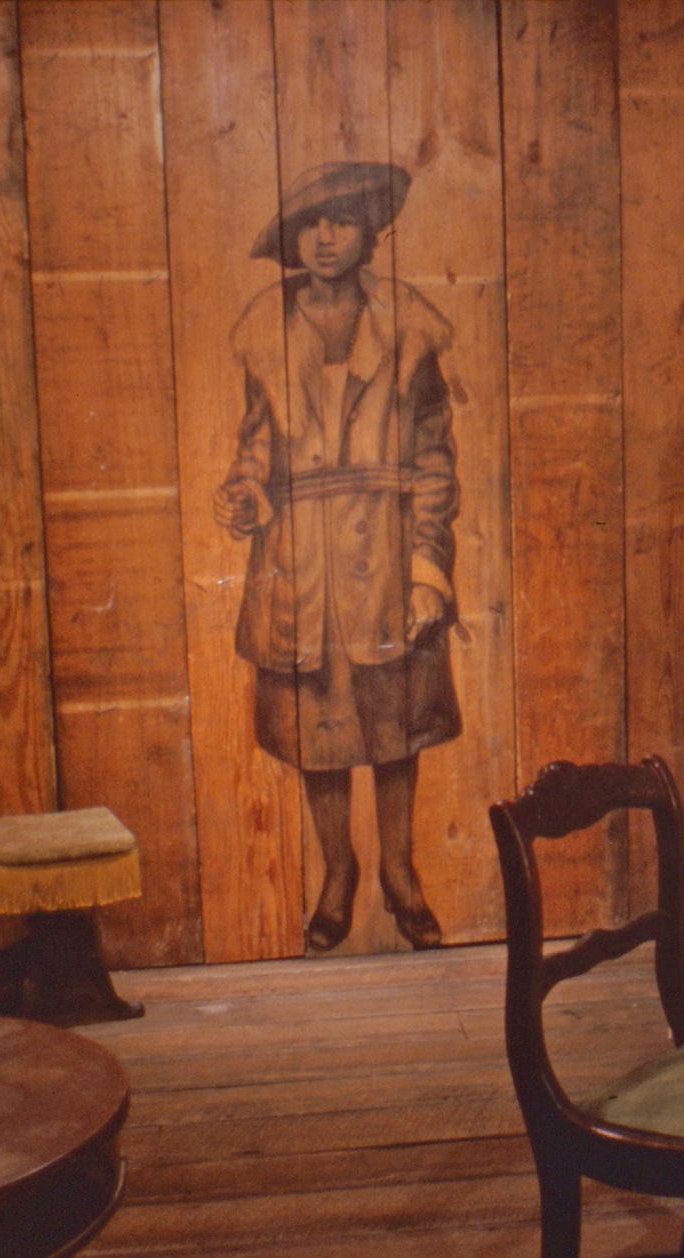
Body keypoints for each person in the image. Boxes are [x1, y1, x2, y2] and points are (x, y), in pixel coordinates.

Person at [214, 162, 459, 951]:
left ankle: (400, 874)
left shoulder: (409, 328)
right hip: (300, 562)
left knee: (393, 730)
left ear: (369, 232)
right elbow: (255, 444)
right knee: (317, 730)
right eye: (311, 225)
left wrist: (428, 564)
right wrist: (246, 493)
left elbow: (434, 457)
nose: (325, 239)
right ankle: (337, 873)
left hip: (386, 557)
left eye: (342, 222)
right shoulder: (266, 329)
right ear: (292, 238)